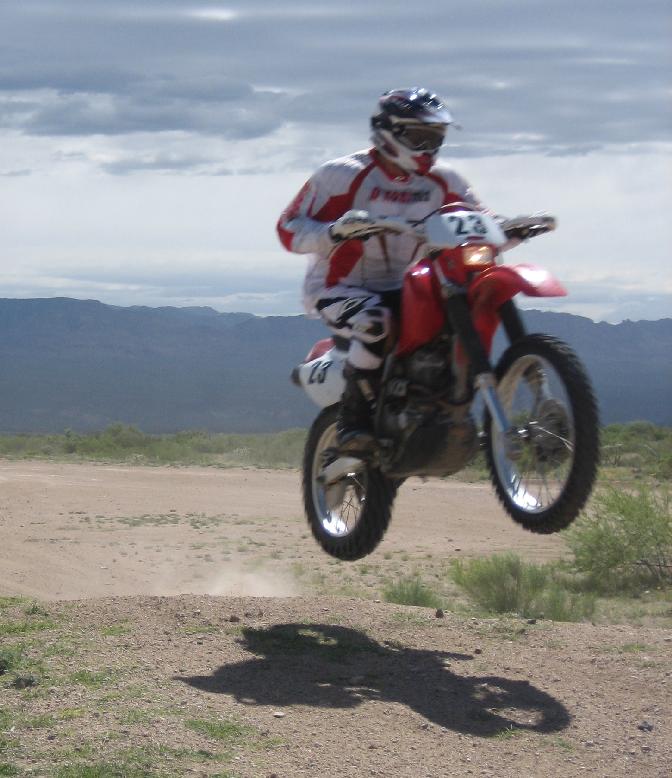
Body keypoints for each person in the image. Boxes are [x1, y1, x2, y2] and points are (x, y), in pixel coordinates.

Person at [277, 87, 492, 453]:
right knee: (375, 322)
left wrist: (512, 227)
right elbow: (288, 227)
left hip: (412, 285)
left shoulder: (446, 180)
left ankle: (449, 411)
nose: (428, 147)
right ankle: (352, 421)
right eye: (419, 136)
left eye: (435, 138)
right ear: (388, 131)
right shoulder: (341, 175)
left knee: (459, 319)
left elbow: (480, 220)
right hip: (341, 287)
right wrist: (333, 231)